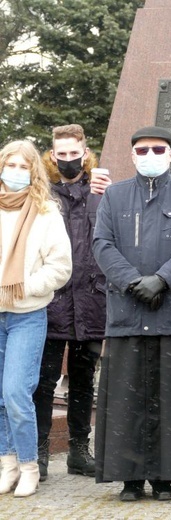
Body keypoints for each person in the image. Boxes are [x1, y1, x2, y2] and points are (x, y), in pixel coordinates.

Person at [92, 126, 171, 501]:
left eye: (158, 149)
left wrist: (162, 280)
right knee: (127, 399)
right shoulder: (114, 195)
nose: (150, 155)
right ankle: (128, 476)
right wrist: (132, 282)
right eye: (142, 150)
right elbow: (102, 243)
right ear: (132, 155)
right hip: (127, 311)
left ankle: (164, 477)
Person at [32, 124, 112, 482]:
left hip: (92, 300)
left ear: (85, 151)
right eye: (60, 154)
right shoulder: (41, 194)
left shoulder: (101, 192)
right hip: (50, 302)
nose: (67, 159)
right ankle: (40, 450)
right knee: (44, 382)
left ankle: (80, 449)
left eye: (73, 153)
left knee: (83, 383)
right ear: (52, 155)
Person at [0, 140, 72, 497]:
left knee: (15, 391)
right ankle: (7, 463)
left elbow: (60, 267)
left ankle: (29, 465)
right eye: (9, 165)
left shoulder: (46, 212)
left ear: (33, 172)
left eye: (22, 167)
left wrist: (24, 288)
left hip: (26, 314)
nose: (15, 172)